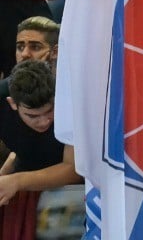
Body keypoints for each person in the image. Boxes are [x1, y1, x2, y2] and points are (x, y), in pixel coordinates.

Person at [0, 61, 81, 239]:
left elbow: (73, 168)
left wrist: (16, 180)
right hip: (23, 191)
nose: (44, 121)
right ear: (12, 103)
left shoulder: (72, 99)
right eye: (33, 116)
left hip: (73, 193)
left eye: (50, 111)